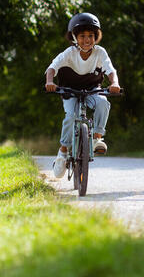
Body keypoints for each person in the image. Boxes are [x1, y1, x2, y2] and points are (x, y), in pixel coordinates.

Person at [45, 12, 120, 177]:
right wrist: (50, 82)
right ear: (74, 37)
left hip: (92, 89)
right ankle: (63, 152)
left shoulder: (100, 52)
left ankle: (97, 138)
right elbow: (52, 67)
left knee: (103, 102)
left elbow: (110, 69)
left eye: (91, 36)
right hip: (69, 90)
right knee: (71, 115)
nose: (87, 40)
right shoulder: (69, 53)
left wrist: (114, 83)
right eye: (82, 36)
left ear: (96, 37)